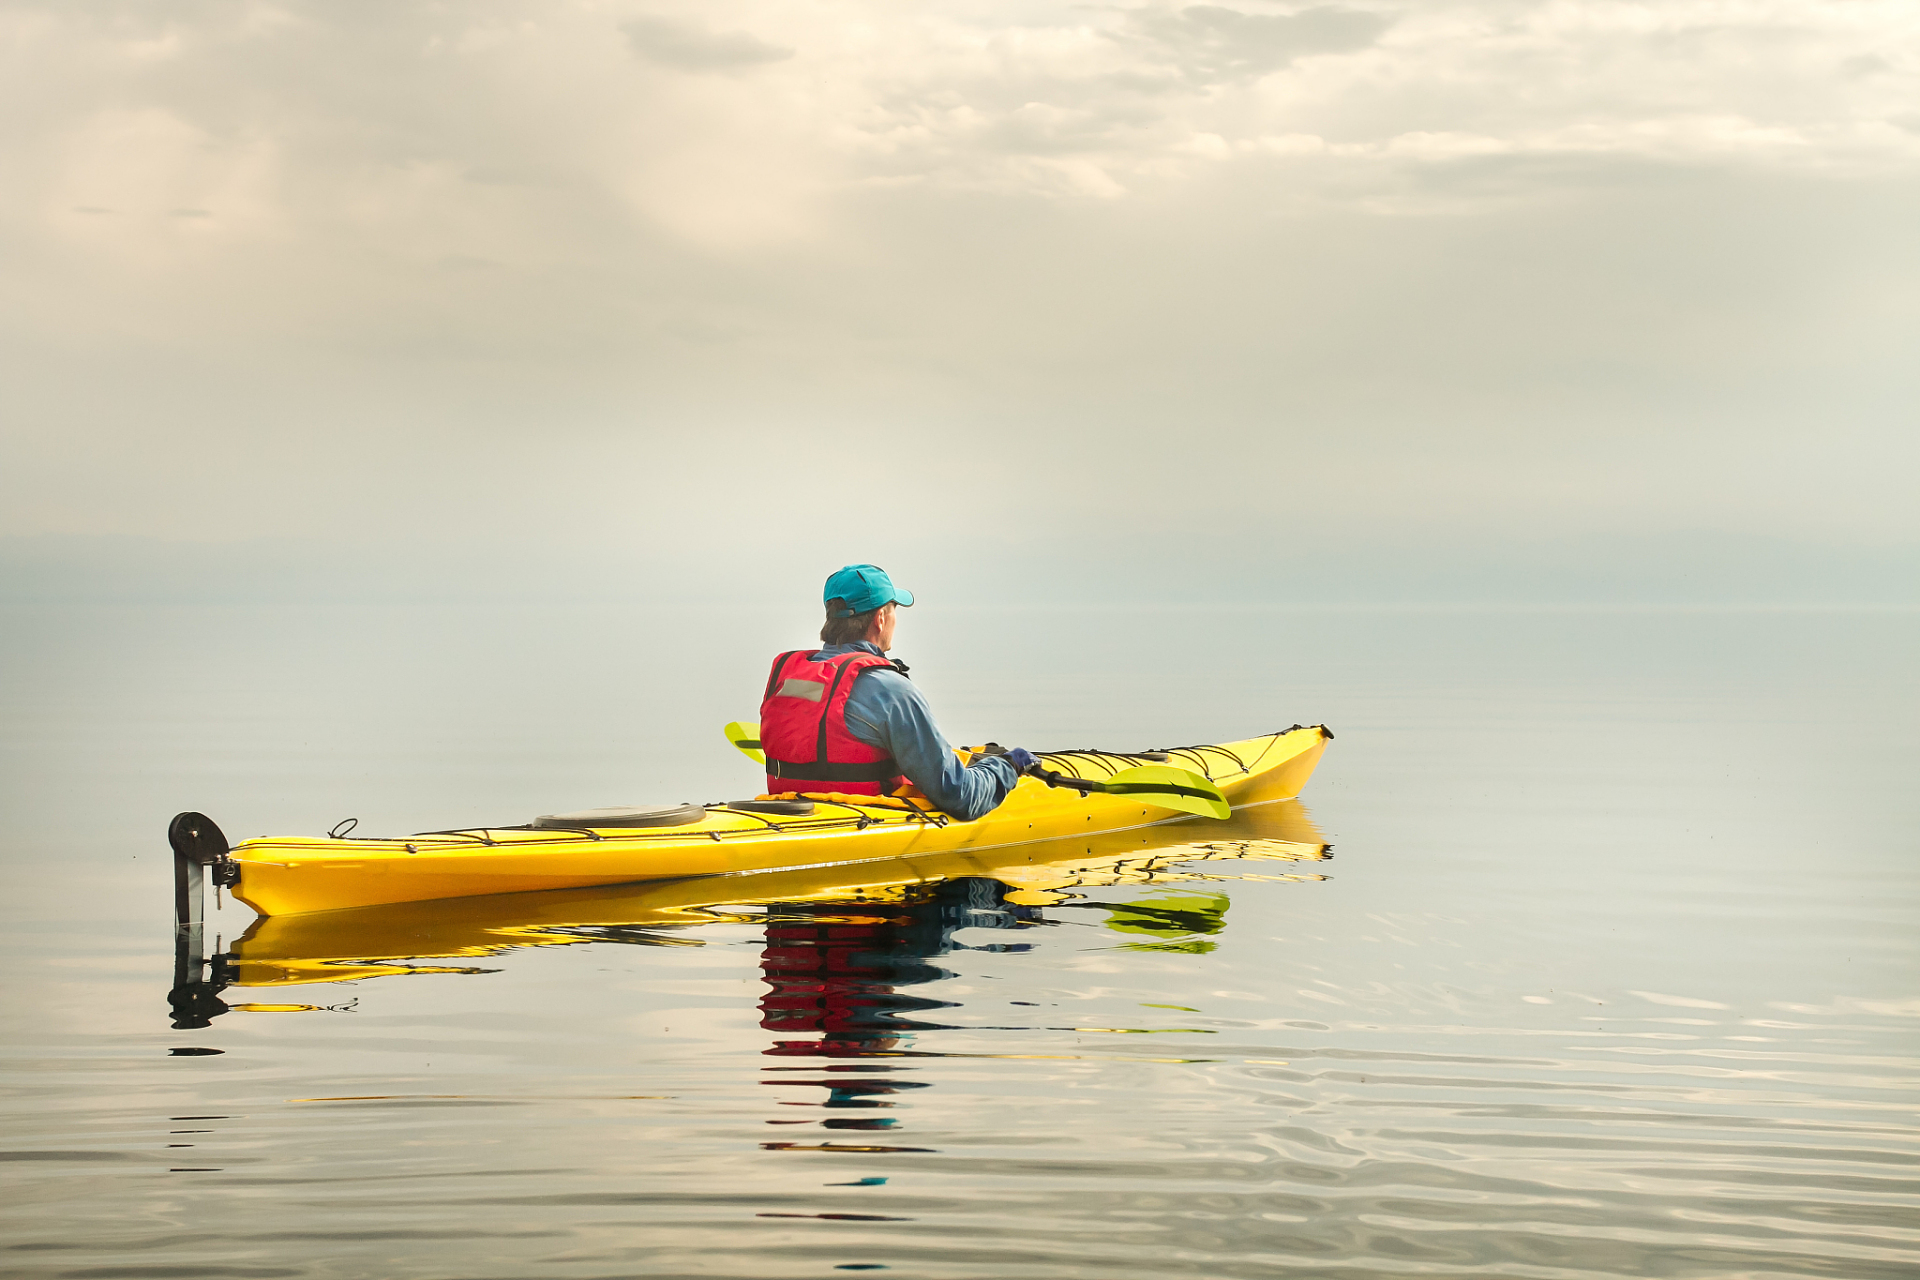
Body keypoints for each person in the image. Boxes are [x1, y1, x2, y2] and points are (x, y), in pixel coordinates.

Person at [759, 564, 1037, 821]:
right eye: (894, 609)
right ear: (880, 618)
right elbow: (959, 796)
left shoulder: (788, 674)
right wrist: (1009, 766)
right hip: (864, 824)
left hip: (787, 812)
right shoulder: (890, 689)